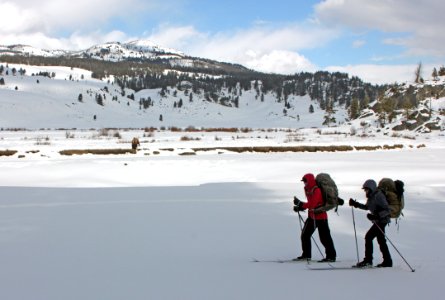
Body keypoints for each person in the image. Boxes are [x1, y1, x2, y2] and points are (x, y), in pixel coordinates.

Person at [293, 173, 337, 262]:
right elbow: (310, 204)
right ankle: (306, 255)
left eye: (305, 181)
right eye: (303, 181)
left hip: (321, 217)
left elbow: (312, 204)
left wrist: (300, 204)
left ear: (310, 180)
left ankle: (331, 256)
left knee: (325, 238)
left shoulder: (317, 190)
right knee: (305, 236)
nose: (304, 183)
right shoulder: (308, 189)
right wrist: (300, 206)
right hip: (312, 217)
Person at [349, 179, 393, 268]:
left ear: (371, 188)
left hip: (382, 221)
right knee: (380, 240)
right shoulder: (371, 196)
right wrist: (356, 204)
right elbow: (367, 207)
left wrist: (377, 216)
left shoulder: (379, 196)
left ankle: (368, 260)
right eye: (365, 189)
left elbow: (388, 210)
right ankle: (387, 261)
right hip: (379, 221)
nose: (365, 191)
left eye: (366, 189)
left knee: (369, 237)